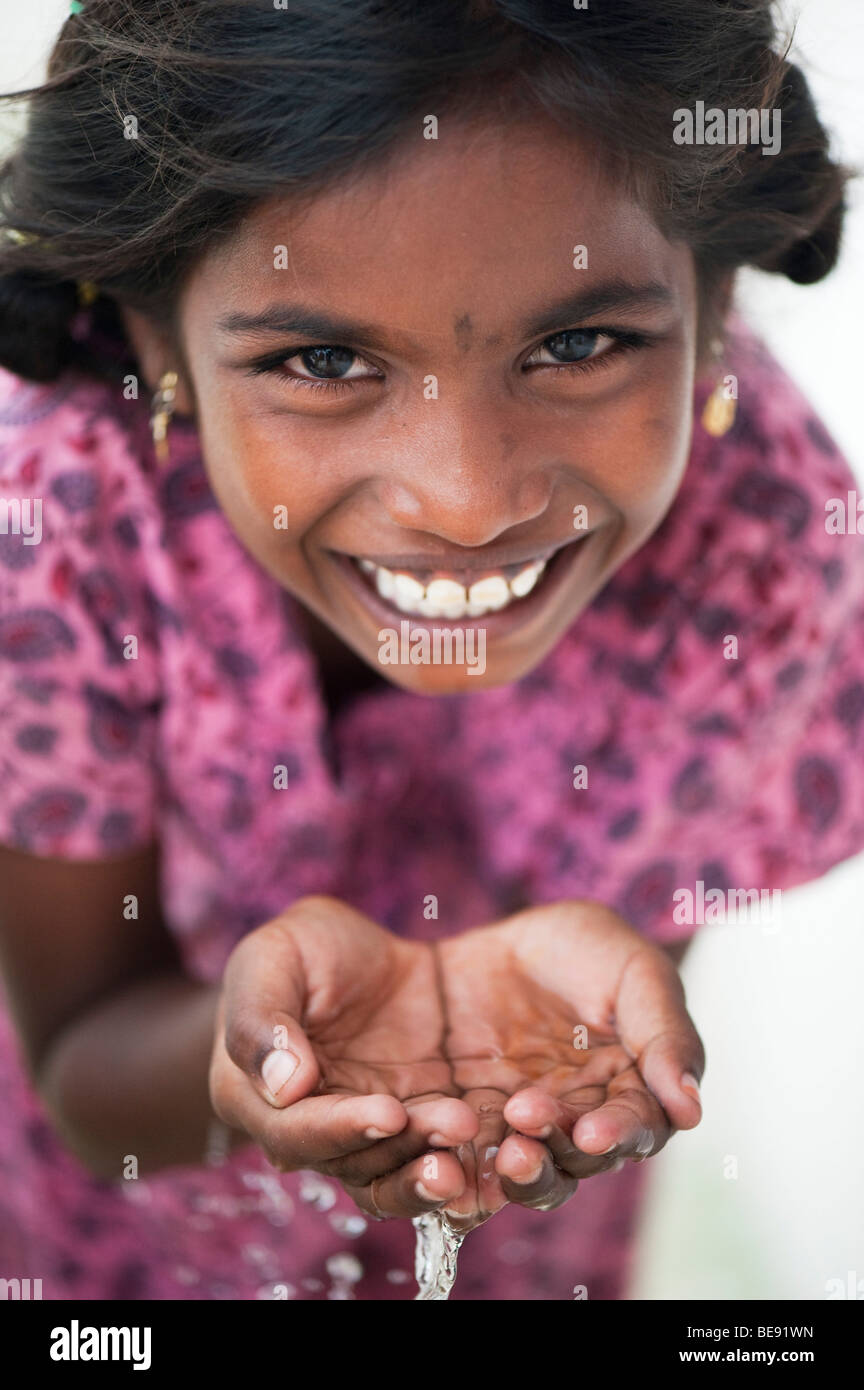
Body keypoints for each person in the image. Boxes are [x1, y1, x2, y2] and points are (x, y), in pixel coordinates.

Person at [0, 0, 861, 1302]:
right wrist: (243, 1074)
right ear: (154, 345)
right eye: (323, 357)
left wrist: (579, 1053)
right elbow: (82, 1059)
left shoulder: (760, 550)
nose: (466, 500)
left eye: (579, 344)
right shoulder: (48, 528)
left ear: (717, 305)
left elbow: (608, 1041)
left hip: (518, 1229)